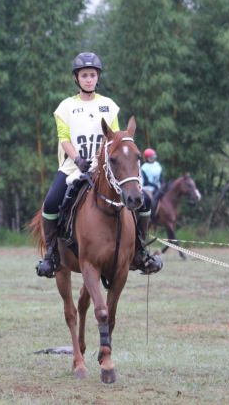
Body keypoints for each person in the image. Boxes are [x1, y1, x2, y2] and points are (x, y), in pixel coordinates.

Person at [35, 52, 162, 278]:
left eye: (92, 75)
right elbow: (63, 138)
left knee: (145, 201)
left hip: (104, 168)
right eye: (84, 75)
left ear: (97, 77)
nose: (88, 79)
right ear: (77, 78)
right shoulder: (65, 107)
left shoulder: (108, 105)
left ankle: (141, 251)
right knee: (51, 203)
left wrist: (102, 162)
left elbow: (114, 137)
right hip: (73, 167)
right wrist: (77, 159)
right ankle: (51, 256)